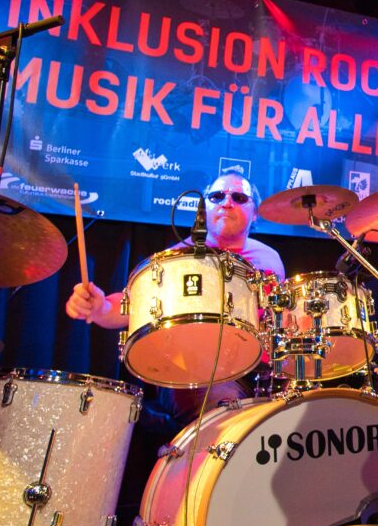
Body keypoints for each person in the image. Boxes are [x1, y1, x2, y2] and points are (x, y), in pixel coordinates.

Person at [65, 168, 286, 419]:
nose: (227, 203)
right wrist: (100, 307)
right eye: (216, 197)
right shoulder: (179, 258)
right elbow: (132, 305)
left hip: (261, 369)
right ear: (203, 209)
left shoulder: (269, 258)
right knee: (226, 416)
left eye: (239, 198)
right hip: (195, 369)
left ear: (255, 212)